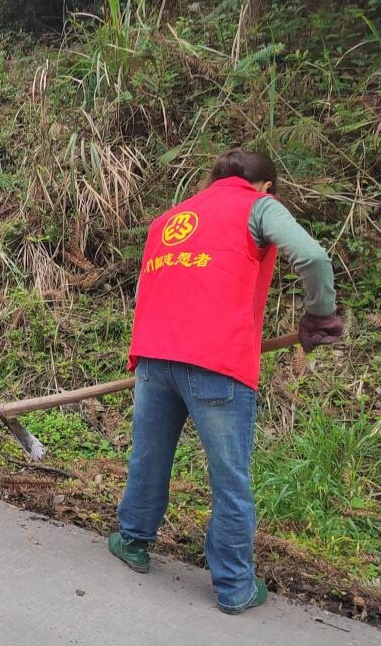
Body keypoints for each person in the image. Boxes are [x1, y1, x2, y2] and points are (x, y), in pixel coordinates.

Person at [110, 149, 343, 615]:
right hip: (217, 362)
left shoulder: (170, 218)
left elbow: (151, 289)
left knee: (149, 456)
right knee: (230, 477)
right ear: (266, 187)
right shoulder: (257, 205)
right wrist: (321, 314)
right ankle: (234, 586)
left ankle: (132, 541)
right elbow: (313, 256)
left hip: (155, 357)